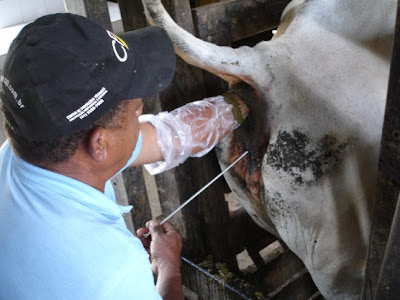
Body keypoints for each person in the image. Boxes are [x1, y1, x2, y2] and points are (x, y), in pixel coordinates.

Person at [0, 13, 251, 300]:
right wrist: (169, 268)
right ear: (100, 144)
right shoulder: (113, 275)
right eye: (137, 112)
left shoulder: (28, 150)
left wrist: (236, 106)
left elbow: (168, 136)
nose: (142, 115)